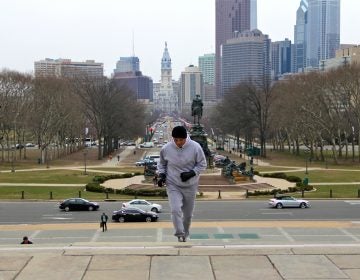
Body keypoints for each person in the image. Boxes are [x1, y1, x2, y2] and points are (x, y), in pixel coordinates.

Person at [157, 126, 207, 242]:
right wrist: (162, 175)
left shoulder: (195, 147)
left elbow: (202, 164)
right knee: (175, 209)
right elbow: (162, 164)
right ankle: (179, 233)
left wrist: (191, 173)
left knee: (187, 214)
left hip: (190, 184)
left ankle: (186, 232)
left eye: (181, 140)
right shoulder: (166, 148)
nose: (178, 142)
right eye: (176, 140)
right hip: (173, 183)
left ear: (186, 138)